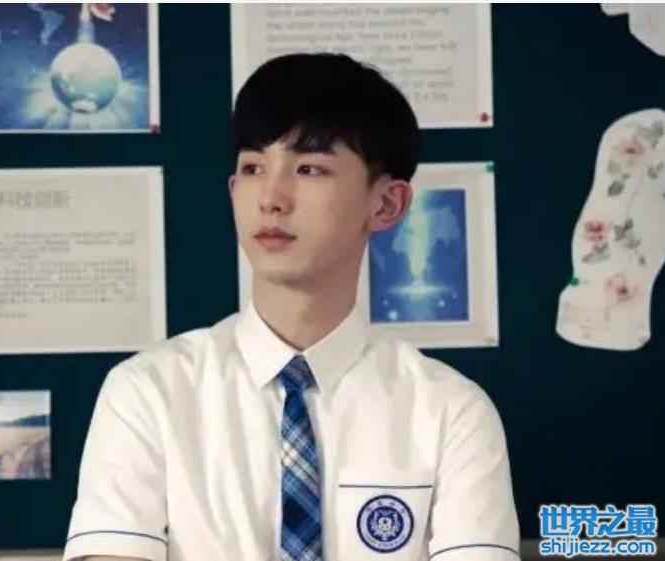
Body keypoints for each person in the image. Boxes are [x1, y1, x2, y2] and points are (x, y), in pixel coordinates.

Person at [62, 52, 520, 561]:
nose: (271, 198)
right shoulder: (149, 393)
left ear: (386, 203)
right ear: (233, 190)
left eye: (308, 168)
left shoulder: (450, 413)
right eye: (253, 168)